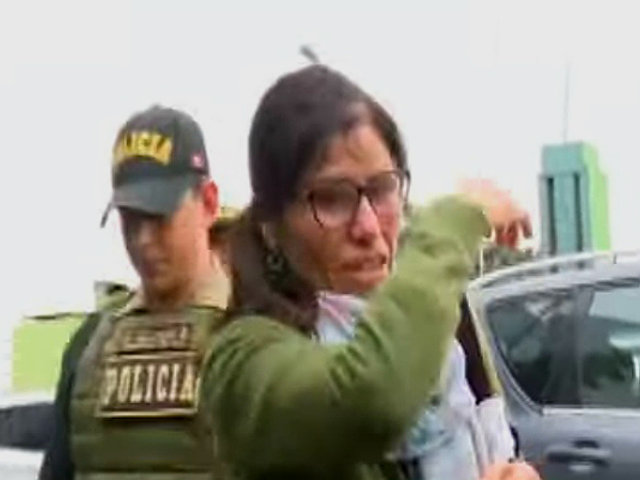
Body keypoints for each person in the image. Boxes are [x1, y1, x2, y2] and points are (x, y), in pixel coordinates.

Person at [201, 64, 539, 480]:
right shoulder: (243, 361)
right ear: (272, 226)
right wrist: (455, 221)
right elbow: (374, 397)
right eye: (331, 199)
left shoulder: (437, 321)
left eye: (381, 190)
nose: (367, 227)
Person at [39, 105, 230, 479]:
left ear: (208, 203)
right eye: (130, 221)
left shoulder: (257, 329)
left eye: (159, 219)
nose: (143, 241)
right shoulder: (89, 344)